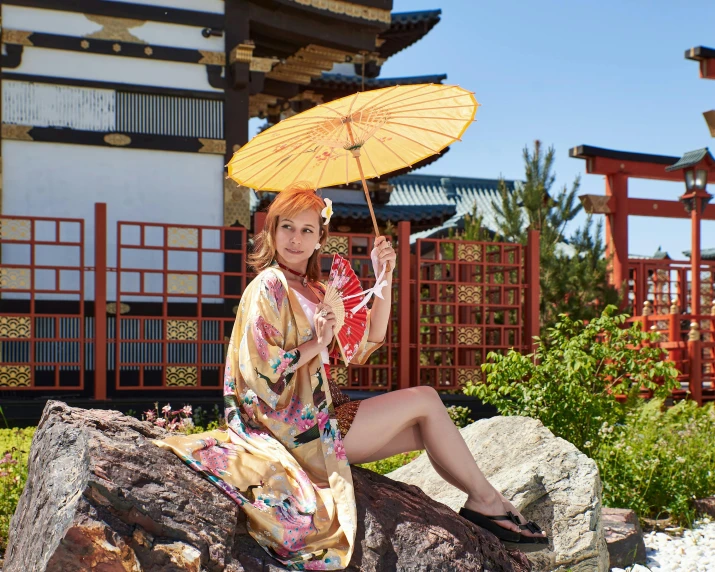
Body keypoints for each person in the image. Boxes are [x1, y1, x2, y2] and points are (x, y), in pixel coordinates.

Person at [154, 184, 547, 570]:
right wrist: (317, 342)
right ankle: (491, 503)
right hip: (295, 424)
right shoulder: (268, 286)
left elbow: (365, 342)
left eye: (308, 230)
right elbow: (262, 369)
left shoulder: (315, 289)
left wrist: (384, 275)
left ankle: (484, 504)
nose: (296, 239)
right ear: (271, 232)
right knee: (426, 398)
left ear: (320, 239)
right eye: (287, 227)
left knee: (429, 430)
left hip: (330, 406)